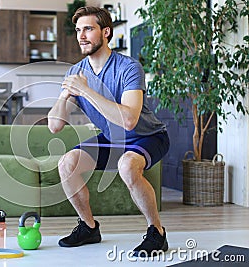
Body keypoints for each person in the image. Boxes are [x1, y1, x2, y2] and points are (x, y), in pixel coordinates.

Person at [47, 6, 170, 257]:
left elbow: (129, 120)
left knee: (127, 165)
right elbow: (54, 125)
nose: (81, 35)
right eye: (79, 30)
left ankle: (157, 232)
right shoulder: (75, 72)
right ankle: (89, 227)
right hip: (113, 139)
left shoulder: (128, 68)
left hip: (148, 136)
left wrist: (86, 91)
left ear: (106, 32)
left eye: (88, 29)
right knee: (67, 163)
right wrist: (65, 95)